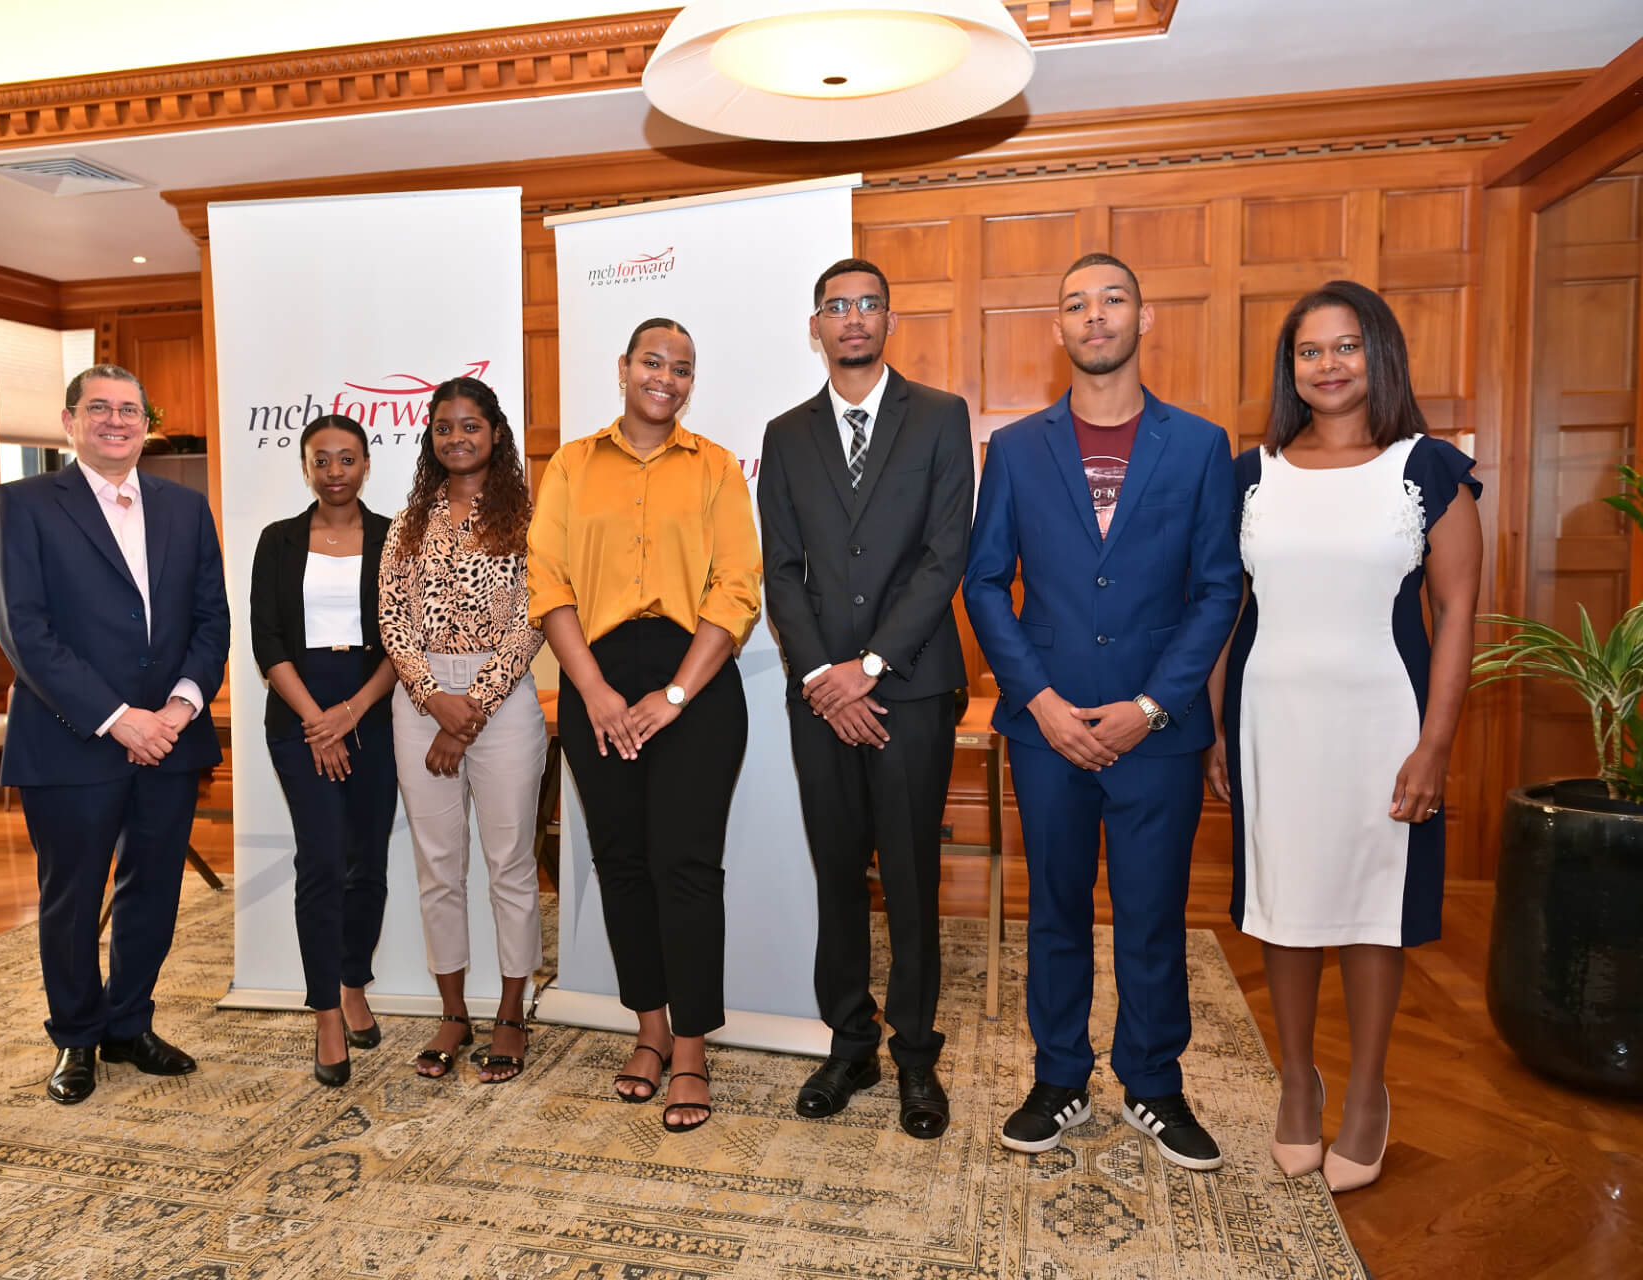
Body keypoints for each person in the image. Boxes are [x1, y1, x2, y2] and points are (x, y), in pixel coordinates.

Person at [964, 254, 1243, 1170]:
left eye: (1113, 299)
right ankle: (1060, 1079)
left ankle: (1154, 1084)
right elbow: (984, 582)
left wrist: (1153, 706)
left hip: (1157, 733)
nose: (1096, 315)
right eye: (1077, 304)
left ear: (1142, 318)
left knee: (1152, 913)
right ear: (1059, 329)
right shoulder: (1015, 448)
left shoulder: (1199, 445)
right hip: (1047, 729)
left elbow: (1217, 588)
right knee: (1054, 910)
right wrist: (1040, 701)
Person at [1207, 280, 1481, 1192]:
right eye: (1309, 351)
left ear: (1380, 355)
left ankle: (1366, 1092)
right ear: (1290, 368)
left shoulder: (1427, 468)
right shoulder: (1251, 474)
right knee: (1282, 908)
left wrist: (1434, 745)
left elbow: (1457, 611)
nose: (1328, 365)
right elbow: (1224, 610)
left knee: (1371, 912)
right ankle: (1298, 1082)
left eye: (1346, 346)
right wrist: (1214, 727)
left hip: (1383, 724)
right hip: (1272, 721)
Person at [526, 317, 762, 1134]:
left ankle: (691, 1046)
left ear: (692, 383)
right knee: (622, 863)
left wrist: (676, 694)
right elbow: (547, 579)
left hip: (693, 681)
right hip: (595, 677)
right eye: (652, 362)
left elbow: (738, 587)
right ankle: (650, 1030)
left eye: (681, 368)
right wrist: (591, 689)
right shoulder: (571, 464)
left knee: (686, 867)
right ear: (623, 367)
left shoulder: (717, 467)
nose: (666, 377)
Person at [757, 257, 974, 1141]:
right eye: (836, 307)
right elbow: (781, 568)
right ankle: (850, 1045)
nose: (853, 318)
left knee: (912, 878)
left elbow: (945, 554)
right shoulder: (786, 433)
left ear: (889, 320)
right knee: (838, 873)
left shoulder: (941, 416)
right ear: (816, 326)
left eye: (868, 305)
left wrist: (871, 666)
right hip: (820, 697)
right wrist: (824, 676)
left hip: (911, 689)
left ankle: (916, 1053)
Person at [0, 363, 230, 1106]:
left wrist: (178, 710)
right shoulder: (23, 504)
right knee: (71, 898)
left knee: (153, 891)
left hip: (170, 741)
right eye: (100, 408)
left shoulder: (186, 507)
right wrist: (120, 718)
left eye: (130, 410)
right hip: (71, 740)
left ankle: (129, 1024)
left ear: (146, 425)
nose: (116, 421)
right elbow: (24, 630)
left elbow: (211, 620)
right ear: (69, 422)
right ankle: (76, 1036)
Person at [382, 377, 546, 1084]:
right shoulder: (408, 522)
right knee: (438, 864)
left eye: (470, 426)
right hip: (419, 698)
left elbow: (537, 617)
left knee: (509, 862)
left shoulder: (529, 519)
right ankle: (453, 1012)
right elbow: (392, 618)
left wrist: (469, 708)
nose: (457, 438)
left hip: (501, 698)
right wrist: (431, 696)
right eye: (444, 427)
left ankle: (511, 1012)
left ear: (496, 434)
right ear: (431, 437)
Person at [248, 415, 399, 1088]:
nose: (335, 471)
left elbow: (404, 639)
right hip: (299, 712)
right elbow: (267, 641)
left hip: (372, 708)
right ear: (305, 468)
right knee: (322, 861)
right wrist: (319, 722)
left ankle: (353, 981)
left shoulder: (395, 537)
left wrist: (352, 714)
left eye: (347, 459)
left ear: (366, 464)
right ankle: (326, 1013)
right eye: (321, 460)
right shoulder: (277, 541)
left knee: (368, 861)